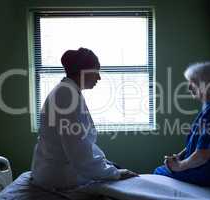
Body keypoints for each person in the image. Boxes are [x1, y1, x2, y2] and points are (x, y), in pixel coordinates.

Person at [31, 47, 137, 190]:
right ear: (84, 71)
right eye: (97, 72)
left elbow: (82, 143)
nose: (99, 78)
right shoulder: (67, 97)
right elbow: (80, 156)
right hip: (60, 177)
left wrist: (107, 165)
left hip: (57, 169)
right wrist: (114, 173)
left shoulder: (68, 92)